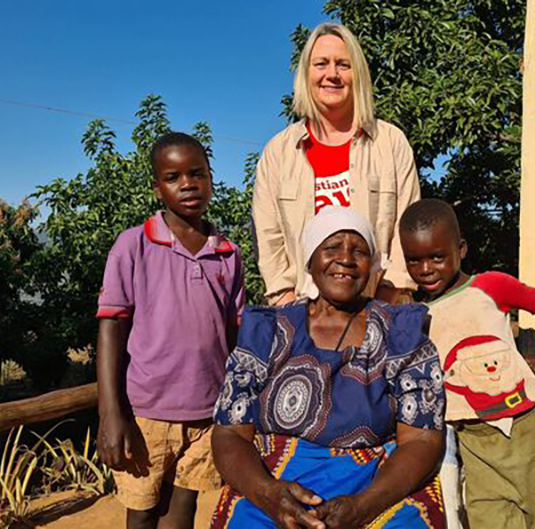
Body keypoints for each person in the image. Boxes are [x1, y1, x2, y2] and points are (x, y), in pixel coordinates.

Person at [210, 207, 446, 528]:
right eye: (331, 247)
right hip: (275, 483)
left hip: (375, 484)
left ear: (371, 264)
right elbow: (230, 432)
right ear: (310, 260)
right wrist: (267, 494)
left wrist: (364, 507)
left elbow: (422, 439)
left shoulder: (400, 333)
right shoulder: (268, 331)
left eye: (359, 251)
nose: (346, 259)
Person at [96, 132, 245, 529]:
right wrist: (111, 413)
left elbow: (234, 335)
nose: (188, 185)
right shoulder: (133, 246)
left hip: (206, 411)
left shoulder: (227, 253)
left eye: (197, 173)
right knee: (143, 511)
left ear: (211, 178)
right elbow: (111, 325)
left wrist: (235, 404)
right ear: (157, 186)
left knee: (182, 511)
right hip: (146, 411)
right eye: (174, 177)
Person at [399, 199, 535, 529]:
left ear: (460, 249)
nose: (425, 269)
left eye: (437, 256)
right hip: (473, 442)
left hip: (527, 429)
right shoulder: (417, 315)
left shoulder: (490, 286)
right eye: (414, 260)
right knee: (486, 518)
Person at [253, 22, 420, 306]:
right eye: (321, 64)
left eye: (343, 64)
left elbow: (405, 229)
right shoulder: (278, 153)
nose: (332, 74)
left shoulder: (390, 143)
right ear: (306, 74)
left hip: (380, 308)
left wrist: (383, 307)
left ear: (359, 75)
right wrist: (288, 307)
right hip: (303, 315)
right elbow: (269, 241)